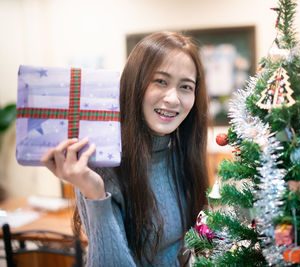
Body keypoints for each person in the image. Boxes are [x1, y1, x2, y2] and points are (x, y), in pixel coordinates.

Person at [40, 31, 210, 266]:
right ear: (134, 84)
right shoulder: (101, 162)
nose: (173, 99)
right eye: (160, 81)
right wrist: (95, 193)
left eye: (185, 86)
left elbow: (188, 250)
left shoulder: (181, 155)